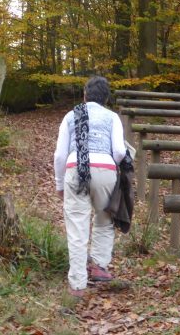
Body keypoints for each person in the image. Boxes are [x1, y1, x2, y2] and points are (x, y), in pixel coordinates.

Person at [53, 76, 127, 297]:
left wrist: (59, 183)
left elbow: (59, 155)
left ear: (85, 95)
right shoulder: (113, 117)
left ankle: (77, 285)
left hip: (76, 168)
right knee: (105, 219)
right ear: (106, 98)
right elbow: (120, 152)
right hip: (105, 169)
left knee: (77, 227)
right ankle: (99, 266)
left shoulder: (70, 116)